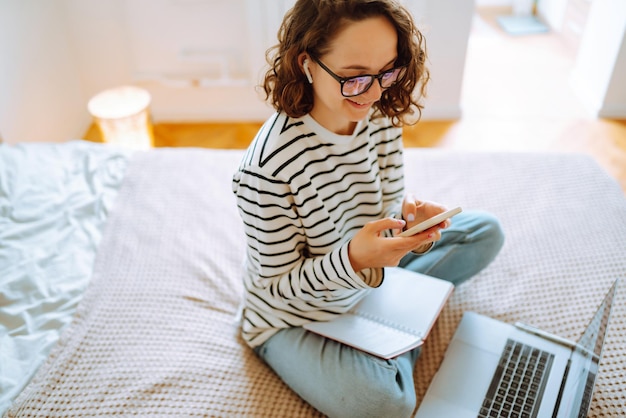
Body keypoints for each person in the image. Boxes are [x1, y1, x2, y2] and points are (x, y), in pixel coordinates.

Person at [231, 1, 505, 416]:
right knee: (385, 406)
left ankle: (392, 334)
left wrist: (409, 228)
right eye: (354, 77)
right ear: (306, 64)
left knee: (485, 233)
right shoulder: (265, 171)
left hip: (369, 274)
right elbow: (278, 290)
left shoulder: (377, 115)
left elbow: (386, 206)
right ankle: (398, 338)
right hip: (293, 316)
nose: (375, 92)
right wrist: (356, 259)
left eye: (387, 71)